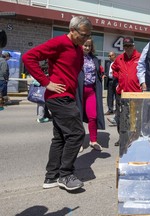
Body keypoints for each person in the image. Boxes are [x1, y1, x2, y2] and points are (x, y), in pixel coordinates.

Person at [22, 16, 92, 191]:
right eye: (83, 35)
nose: (85, 39)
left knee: (60, 137)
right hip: (58, 97)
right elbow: (29, 57)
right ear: (72, 30)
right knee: (77, 134)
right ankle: (66, 175)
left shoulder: (77, 49)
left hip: (68, 96)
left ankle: (51, 177)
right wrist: (46, 82)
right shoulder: (59, 42)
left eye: (88, 35)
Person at [109, 37, 141, 146]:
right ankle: (122, 137)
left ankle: (133, 138)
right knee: (120, 118)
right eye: (125, 46)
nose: (128, 48)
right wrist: (118, 79)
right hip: (121, 93)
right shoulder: (119, 58)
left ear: (133, 46)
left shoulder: (140, 57)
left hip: (135, 93)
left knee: (133, 118)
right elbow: (114, 69)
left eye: (129, 46)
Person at [76, 38, 105, 153]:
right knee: (77, 118)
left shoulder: (94, 59)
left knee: (93, 116)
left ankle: (93, 141)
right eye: (85, 45)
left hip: (91, 91)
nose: (87, 48)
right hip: (78, 91)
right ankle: (78, 142)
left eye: (89, 46)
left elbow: (98, 72)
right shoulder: (75, 57)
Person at [104, 51, 117, 115]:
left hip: (116, 81)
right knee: (109, 96)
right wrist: (105, 75)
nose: (109, 57)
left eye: (110, 56)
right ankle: (110, 109)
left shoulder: (118, 63)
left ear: (114, 56)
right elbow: (106, 72)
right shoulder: (108, 64)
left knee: (117, 96)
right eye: (108, 56)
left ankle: (117, 110)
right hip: (109, 81)